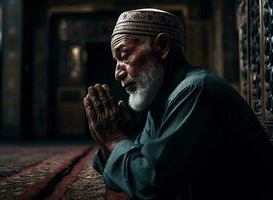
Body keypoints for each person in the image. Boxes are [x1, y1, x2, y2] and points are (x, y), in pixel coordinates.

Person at [83, 8, 273, 200]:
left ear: (162, 46)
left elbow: (150, 186)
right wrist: (122, 138)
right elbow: (134, 173)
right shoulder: (161, 100)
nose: (118, 73)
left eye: (124, 55)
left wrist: (115, 139)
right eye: (116, 61)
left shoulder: (197, 89)